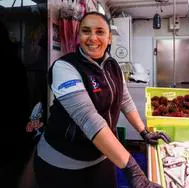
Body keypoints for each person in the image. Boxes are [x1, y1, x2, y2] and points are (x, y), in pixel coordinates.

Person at [33, 12, 170, 188]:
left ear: (109, 38)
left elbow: (124, 101)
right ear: (78, 35)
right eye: (86, 31)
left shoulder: (113, 66)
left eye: (100, 32)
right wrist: (133, 169)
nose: (92, 38)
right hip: (63, 161)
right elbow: (88, 119)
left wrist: (143, 132)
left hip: (102, 155)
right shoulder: (64, 67)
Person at [0, 20, 34, 187]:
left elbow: (22, 96)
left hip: (11, 125)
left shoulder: (13, 64)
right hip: (14, 125)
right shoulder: (15, 63)